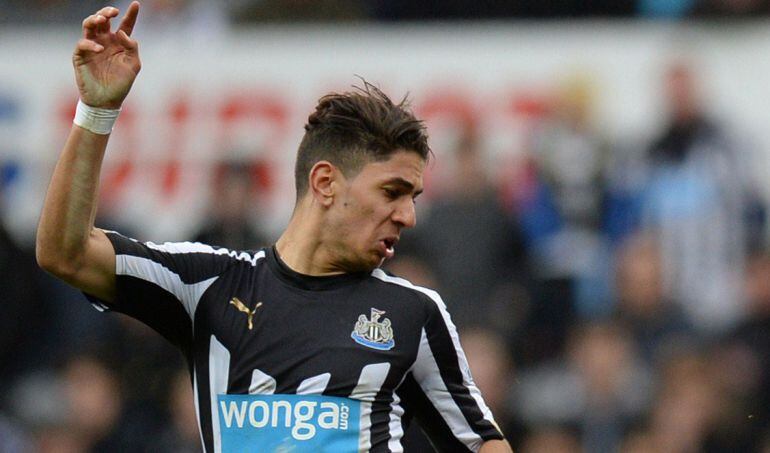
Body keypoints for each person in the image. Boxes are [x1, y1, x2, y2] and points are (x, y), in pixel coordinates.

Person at [35, 3, 512, 452]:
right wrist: (96, 112)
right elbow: (64, 253)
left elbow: (481, 442)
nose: (408, 216)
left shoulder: (411, 313)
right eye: (392, 192)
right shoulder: (208, 285)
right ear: (325, 182)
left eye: (414, 198)